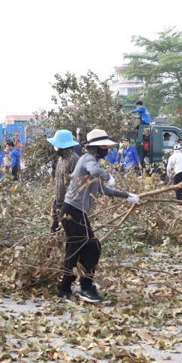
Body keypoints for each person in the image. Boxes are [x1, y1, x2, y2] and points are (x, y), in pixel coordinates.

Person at [59, 128, 139, 302]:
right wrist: (108, 175)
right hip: (73, 211)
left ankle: (65, 289)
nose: (107, 150)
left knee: (74, 250)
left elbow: (102, 189)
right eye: (104, 146)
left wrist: (127, 196)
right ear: (96, 147)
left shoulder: (89, 161)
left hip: (73, 211)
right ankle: (86, 288)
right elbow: (96, 172)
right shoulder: (88, 159)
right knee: (92, 246)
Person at [48, 130, 81, 233]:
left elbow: (77, 185)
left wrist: (68, 206)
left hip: (69, 205)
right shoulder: (61, 159)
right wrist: (54, 204)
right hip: (59, 203)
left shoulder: (74, 159)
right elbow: (59, 184)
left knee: (70, 233)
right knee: (54, 232)